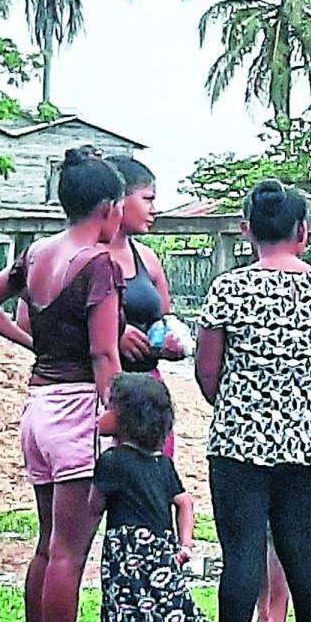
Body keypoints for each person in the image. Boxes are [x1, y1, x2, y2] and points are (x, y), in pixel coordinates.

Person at [0, 146, 125, 622]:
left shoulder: (36, 254)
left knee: (46, 545)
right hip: (79, 406)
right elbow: (105, 353)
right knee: (69, 551)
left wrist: (31, 342)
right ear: (108, 207)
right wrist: (116, 419)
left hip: (39, 404)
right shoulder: (98, 263)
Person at [194, 179, 311, 622]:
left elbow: (207, 372)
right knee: (301, 548)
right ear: (303, 232)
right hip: (309, 439)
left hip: (240, 438)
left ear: (247, 232)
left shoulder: (229, 289)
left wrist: (241, 404)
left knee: (241, 553)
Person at [89, 373, 226, 622]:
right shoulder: (162, 463)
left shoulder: (113, 462)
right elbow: (185, 503)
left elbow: (94, 505)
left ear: (125, 419)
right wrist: (184, 544)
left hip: (125, 559)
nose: (99, 416)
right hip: (162, 556)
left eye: (107, 409)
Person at [103, 155, 183, 456]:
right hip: (97, 386)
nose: (154, 209)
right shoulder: (80, 255)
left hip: (146, 392)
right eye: (147, 199)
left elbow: (165, 318)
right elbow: (34, 322)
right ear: (118, 200)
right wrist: (110, 336)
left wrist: (171, 344)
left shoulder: (147, 259)